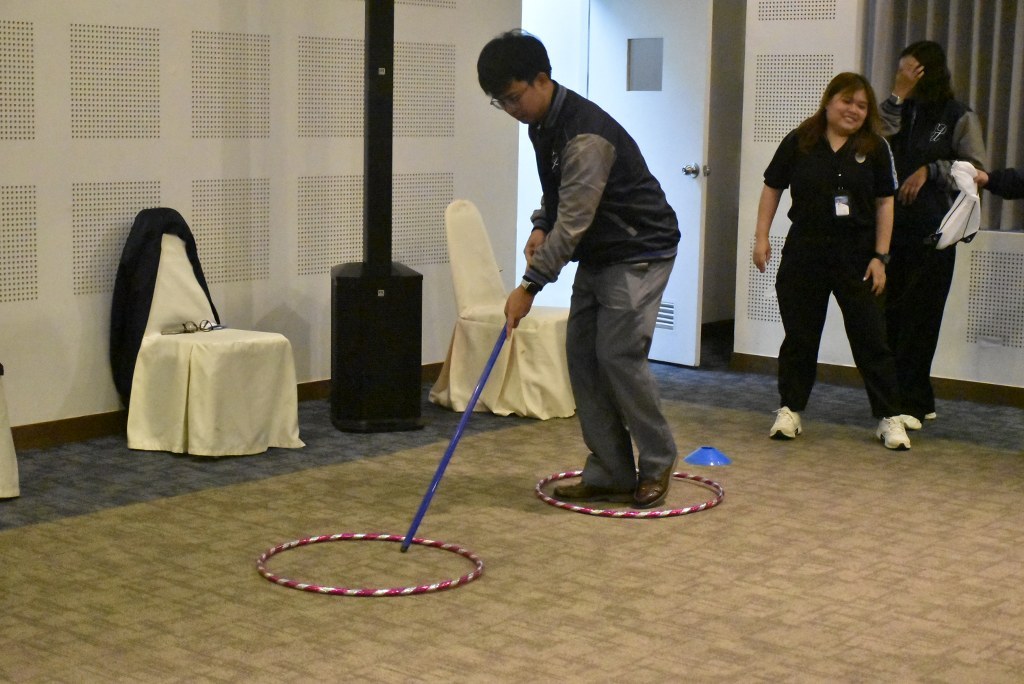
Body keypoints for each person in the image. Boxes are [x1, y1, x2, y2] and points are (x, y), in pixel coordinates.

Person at [477, 30, 681, 507]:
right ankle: (611, 471)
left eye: (513, 97)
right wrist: (539, 223)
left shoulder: (586, 135)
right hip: (601, 250)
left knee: (618, 356)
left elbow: (573, 222)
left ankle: (657, 462)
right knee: (582, 356)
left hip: (640, 247)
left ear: (541, 79)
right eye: (499, 102)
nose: (510, 109)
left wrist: (528, 286)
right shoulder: (542, 123)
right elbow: (558, 192)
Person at [752, 72, 912, 450]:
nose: (853, 110)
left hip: (858, 253)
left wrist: (880, 257)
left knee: (871, 336)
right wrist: (761, 237)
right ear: (829, 102)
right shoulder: (800, 140)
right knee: (800, 335)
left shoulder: (876, 147)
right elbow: (772, 187)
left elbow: (885, 203)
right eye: (846, 101)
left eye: (862, 105)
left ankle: (889, 417)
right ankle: (790, 409)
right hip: (805, 249)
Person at [879, 41, 988, 424]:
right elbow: (876, 144)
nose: (902, 76)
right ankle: (903, 398)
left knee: (921, 318)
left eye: (908, 70)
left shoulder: (957, 115)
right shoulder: (896, 110)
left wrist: (931, 170)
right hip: (889, 231)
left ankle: (912, 400)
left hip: (933, 232)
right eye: (899, 70)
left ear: (927, 71)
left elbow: (975, 169)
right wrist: (897, 96)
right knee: (888, 317)